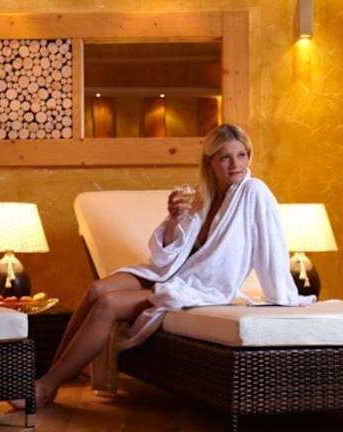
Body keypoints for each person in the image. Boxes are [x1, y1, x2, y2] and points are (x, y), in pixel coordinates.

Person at [19, 123, 315, 409]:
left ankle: (46, 386)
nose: (235, 164)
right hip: (170, 271)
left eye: (241, 155)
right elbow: (166, 253)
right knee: (97, 289)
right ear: (210, 162)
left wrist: (283, 295)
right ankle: (54, 375)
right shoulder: (203, 196)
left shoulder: (254, 192)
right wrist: (174, 218)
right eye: (225, 157)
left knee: (108, 304)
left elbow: (271, 243)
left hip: (200, 285)